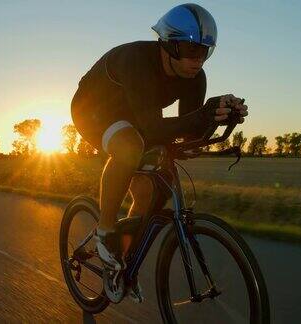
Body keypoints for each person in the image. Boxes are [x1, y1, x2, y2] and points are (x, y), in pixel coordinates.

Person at [70, 3, 248, 303]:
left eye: (204, 52)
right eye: (189, 50)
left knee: (153, 191)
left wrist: (218, 116)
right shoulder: (137, 60)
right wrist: (203, 115)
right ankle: (105, 231)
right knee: (129, 147)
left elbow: (188, 133)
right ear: (167, 43)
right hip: (93, 111)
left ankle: (122, 263)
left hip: (136, 115)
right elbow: (152, 129)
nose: (197, 60)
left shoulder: (195, 78)